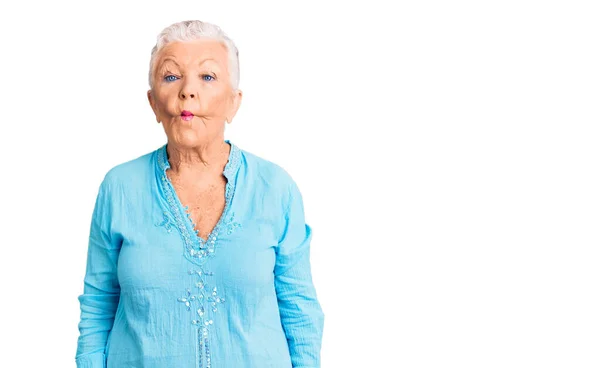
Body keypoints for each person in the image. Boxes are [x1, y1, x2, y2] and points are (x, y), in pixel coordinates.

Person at [75, 20, 324, 368]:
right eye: (171, 76)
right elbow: (98, 306)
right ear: (152, 102)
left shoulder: (275, 188)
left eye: (207, 77)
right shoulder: (119, 188)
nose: (187, 91)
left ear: (234, 102)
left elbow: (300, 310)